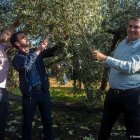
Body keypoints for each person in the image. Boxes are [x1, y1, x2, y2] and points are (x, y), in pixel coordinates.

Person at [92, 17, 140, 140]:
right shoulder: (122, 43)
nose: (132, 29)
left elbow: (130, 67)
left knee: (134, 132)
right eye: (130, 26)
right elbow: (116, 63)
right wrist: (101, 58)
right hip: (113, 94)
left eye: (136, 27)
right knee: (104, 127)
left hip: (131, 96)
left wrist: (105, 58)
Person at [10, 31, 62, 140]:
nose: (27, 38)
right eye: (23, 37)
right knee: (28, 122)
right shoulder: (17, 58)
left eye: (26, 36)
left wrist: (63, 40)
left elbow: (53, 51)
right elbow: (25, 66)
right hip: (29, 95)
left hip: (44, 92)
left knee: (47, 120)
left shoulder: (36, 52)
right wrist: (39, 50)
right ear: (17, 43)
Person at [0, 19, 20, 140]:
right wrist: (15, 24)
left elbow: (15, 43)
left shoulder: (3, 46)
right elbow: (5, 35)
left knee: (2, 122)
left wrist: (25, 32)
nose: (7, 35)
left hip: (3, 90)